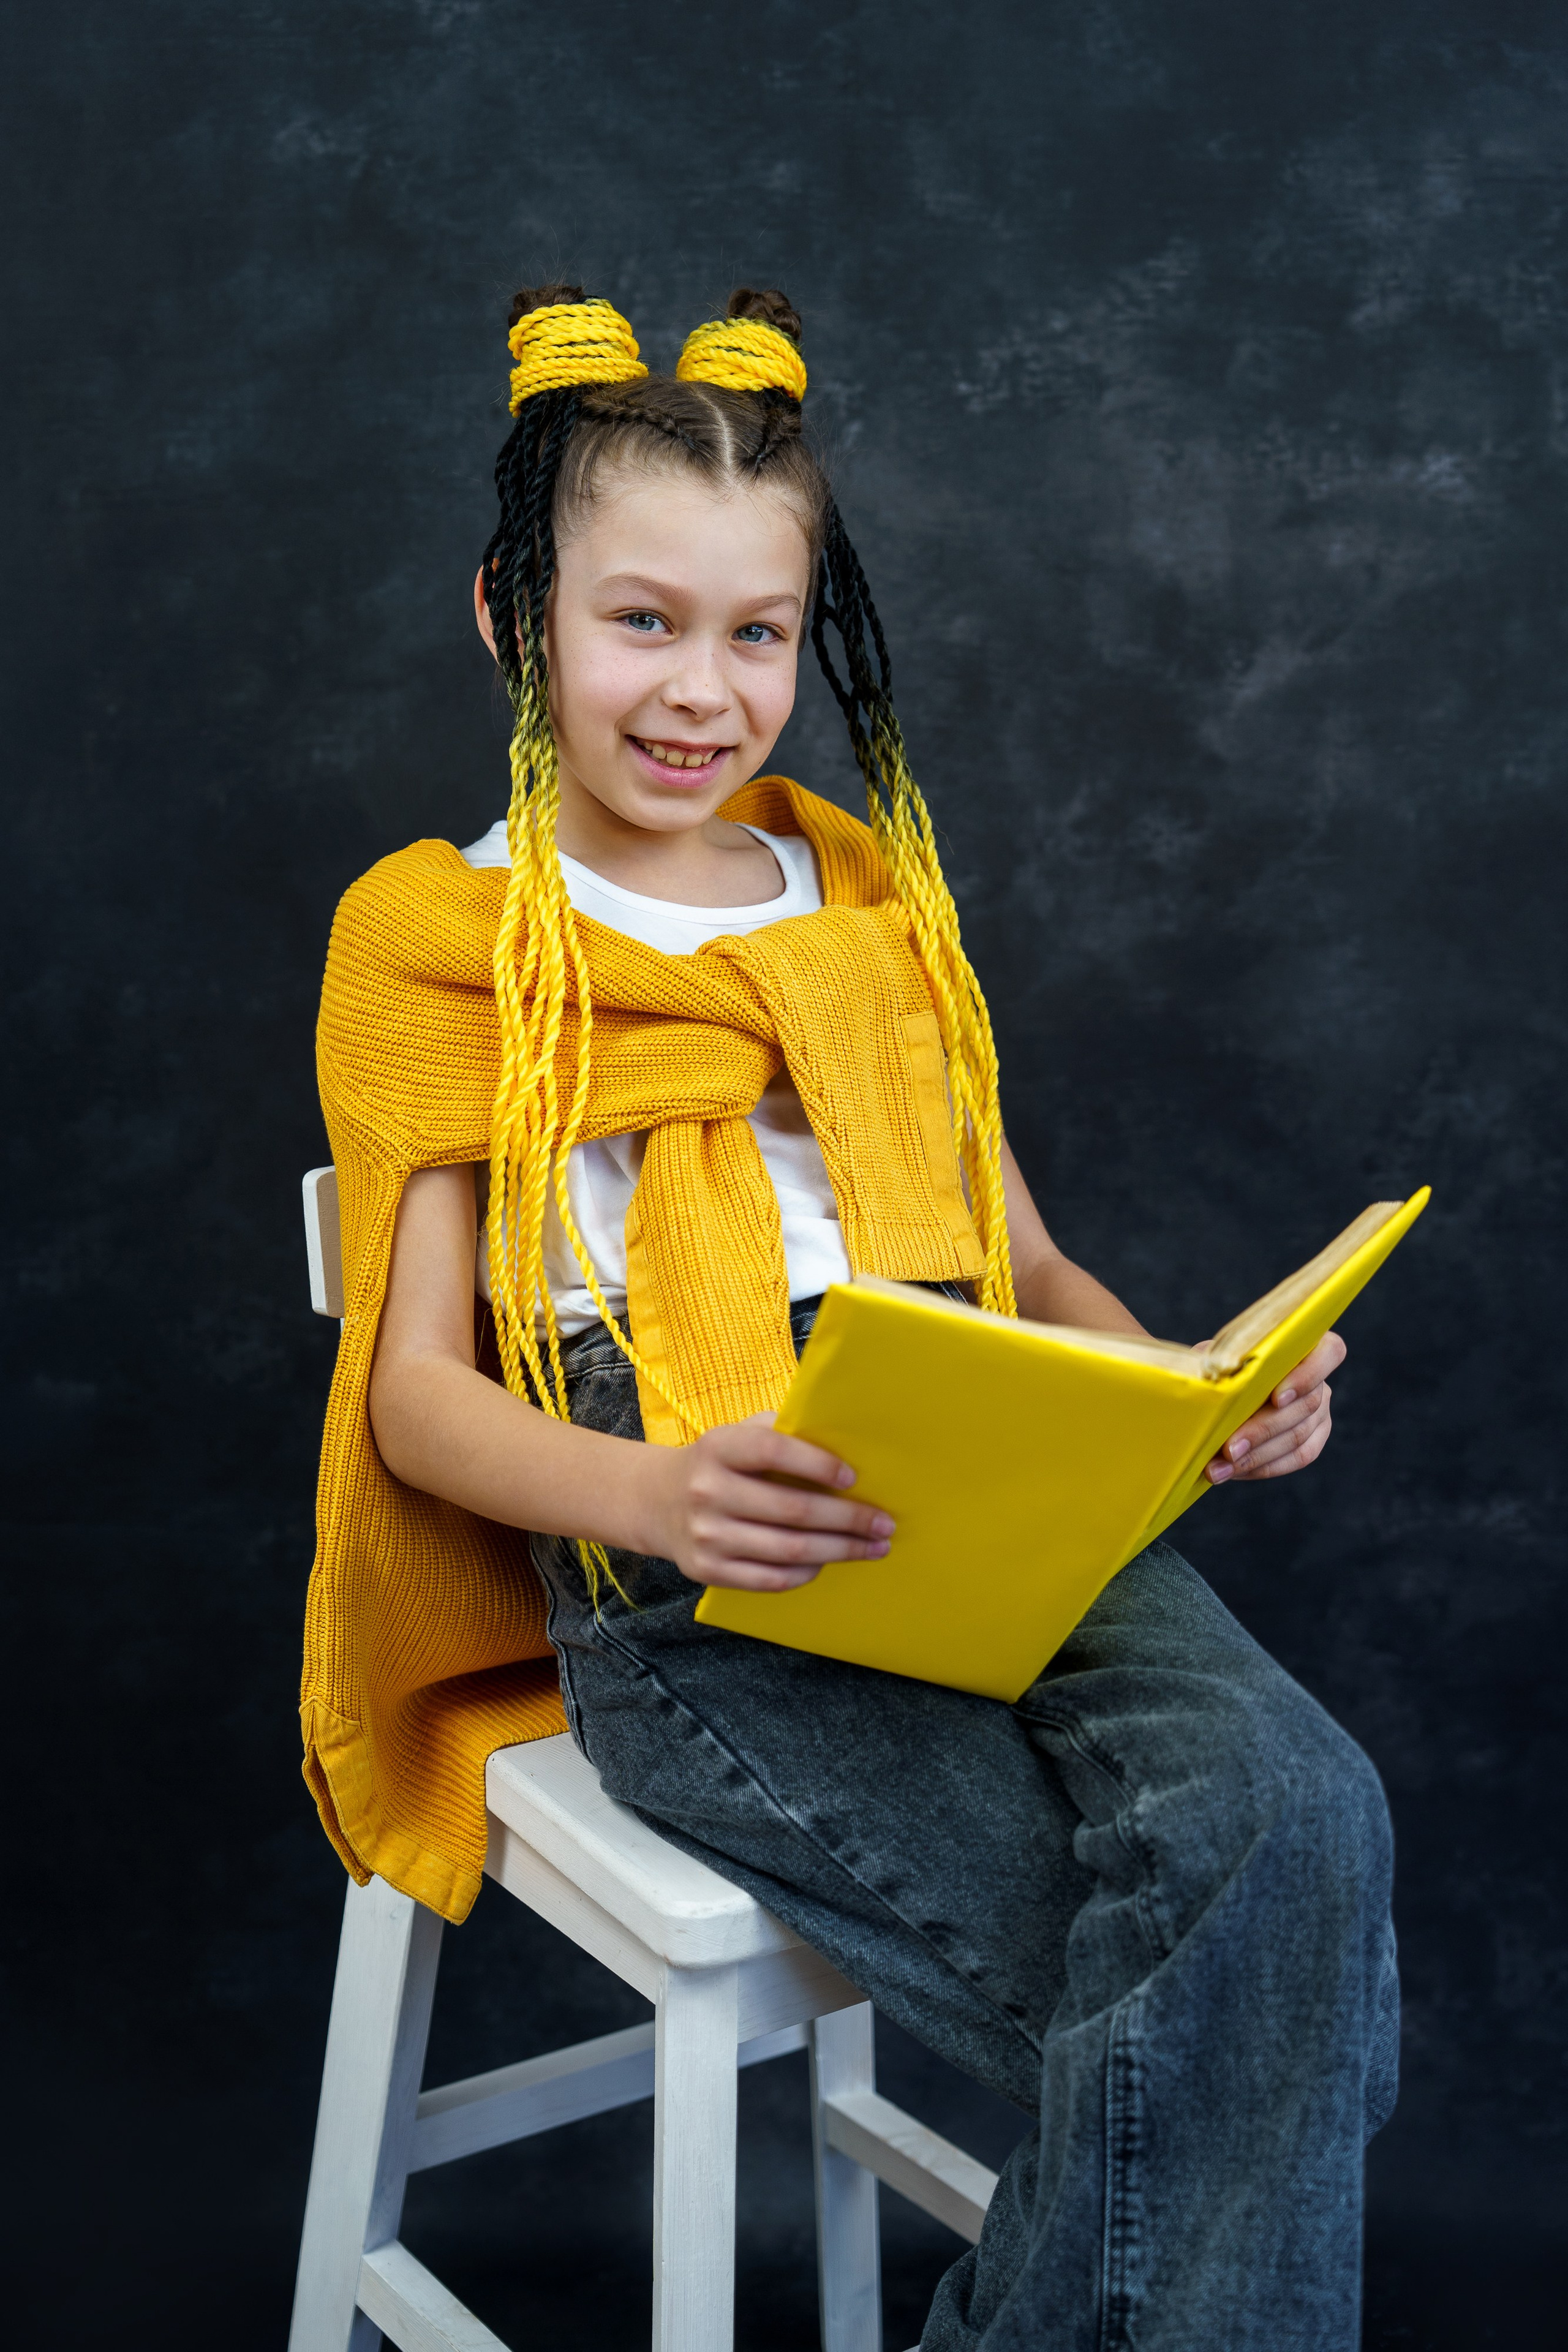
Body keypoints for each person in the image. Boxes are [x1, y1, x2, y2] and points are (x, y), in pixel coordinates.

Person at [304, 285, 1398, 2350]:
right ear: (509, 615)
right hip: (698, 1543)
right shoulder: (446, 942)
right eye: (641, 621)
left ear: (811, 641)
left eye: (757, 633)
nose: (703, 690)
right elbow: (416, 1400)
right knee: (1228, 1984)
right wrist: (657, 1488)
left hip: (980, 1462)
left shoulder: (865, 902)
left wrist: (1186, 1386)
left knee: (1304, 1817)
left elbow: (1033, 1273)